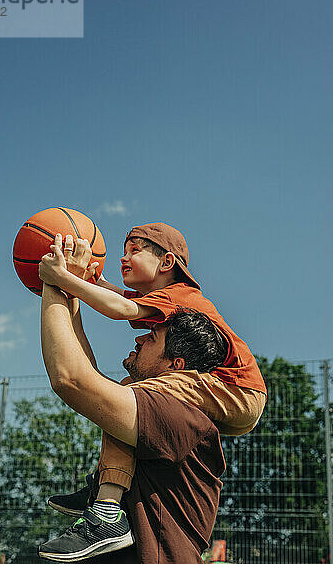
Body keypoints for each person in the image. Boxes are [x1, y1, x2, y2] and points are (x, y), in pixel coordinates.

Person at [38, 222, 267, 546]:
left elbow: (119, 308)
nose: (123, 258)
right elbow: (118, 296)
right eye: (123, 250)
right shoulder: (163, 298)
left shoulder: (182, 297)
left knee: (130, 394)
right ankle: (106, 486)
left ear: (167, 263)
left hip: (238, 390)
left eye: (135, 249)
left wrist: (63, 280)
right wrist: (90, 280)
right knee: (129, 388)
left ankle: (106, 510)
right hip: (225, 389)